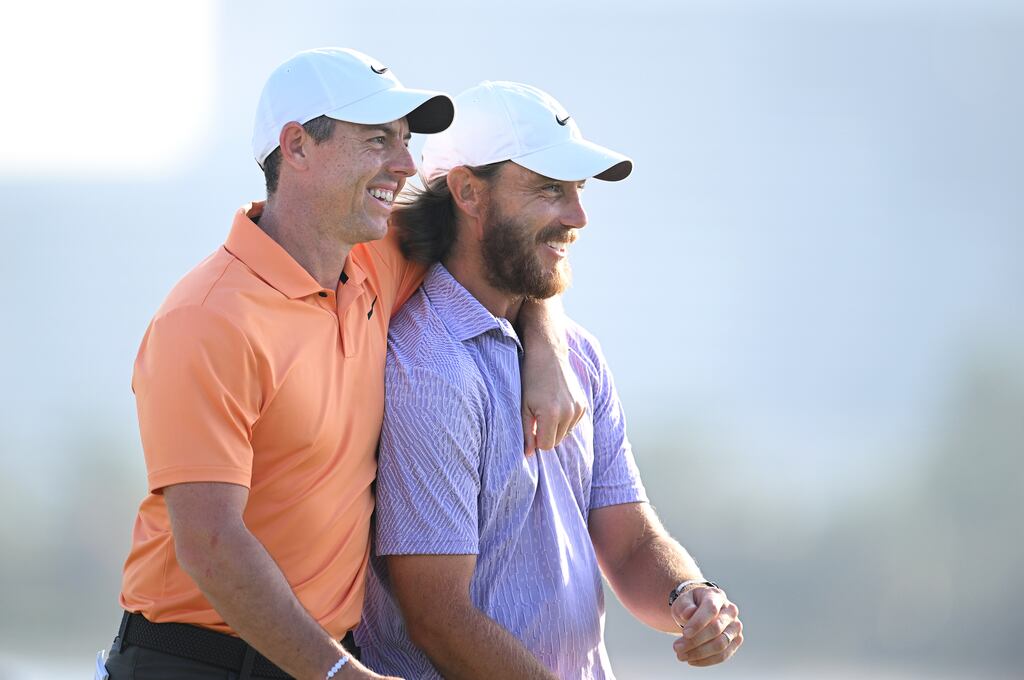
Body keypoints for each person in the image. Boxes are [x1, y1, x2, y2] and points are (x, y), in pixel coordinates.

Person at [102, 51, 583, 680]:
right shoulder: (206, 319)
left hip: (317, 662)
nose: (406, 164)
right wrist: (337, 675)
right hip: (194, 662)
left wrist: (544, 342)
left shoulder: (376, 255)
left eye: (407, 141)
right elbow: (210, 544)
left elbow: (511, 247)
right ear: (297, 146)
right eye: (378, 139)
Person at [356, 81, 744, 679]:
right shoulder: (427, 366)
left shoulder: (576, 355)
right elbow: (438, 616)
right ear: (467, 191)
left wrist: (688, 596)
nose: (578, 216)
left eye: (579, 190)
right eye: (548, 190)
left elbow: (632, 543)